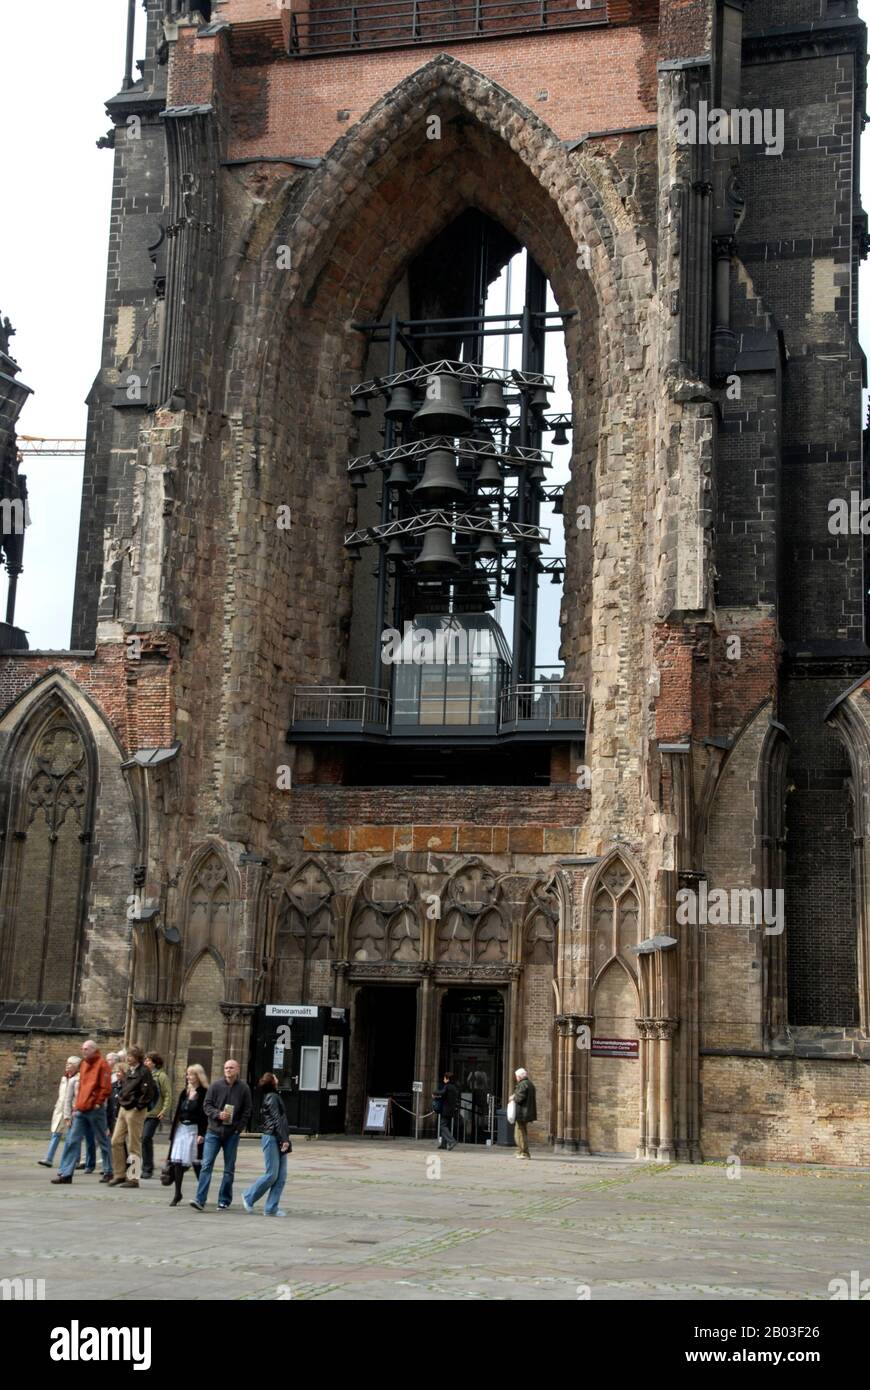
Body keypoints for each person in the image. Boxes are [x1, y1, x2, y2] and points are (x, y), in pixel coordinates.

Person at [190, 1058, 252, 1212]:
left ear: (237, 1070)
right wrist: (218, 1114)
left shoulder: (243, 1088)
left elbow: (247, 1110)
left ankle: (224, 1200)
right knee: (206, 1164)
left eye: (231, 1068)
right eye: (226, 1068)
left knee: (229, 1168)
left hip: (232, 1133)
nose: (228, 1070)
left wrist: (238, 1128)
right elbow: (207, 1105)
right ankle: (200, 1199)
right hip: (214, 1131)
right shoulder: (215, 1086)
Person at [51, 1040, 113, 1185]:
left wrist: (98, 1103)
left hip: (95, 1109)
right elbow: (82, 1086)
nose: (83, 1051)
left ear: (93, 1049)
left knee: (103, 1141)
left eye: (86, 1049)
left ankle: (108, 1171)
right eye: (82, 1048)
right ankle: (66, 1173)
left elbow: (105, 1087)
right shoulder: (84, 1064)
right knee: (72, 1140)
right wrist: (77, 1105)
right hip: (81, 1108)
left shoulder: (102, 1065)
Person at [108, 1044, 156, 1188]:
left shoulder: (144, 1071)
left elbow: (149, 1092)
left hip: (135, 1110)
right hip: (124, 1108)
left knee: (134, 1145)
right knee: (115, 1141)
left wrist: (138, 1106)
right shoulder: (130, 1070)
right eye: (128, 1055)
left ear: (137, 1057)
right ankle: (119, 1174)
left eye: (130, 1056)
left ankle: (134, 1178)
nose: (128, 1058)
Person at [243, 1074, 291, 1217]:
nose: (277, 1078)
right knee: (272, 1174)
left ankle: (271, 1208)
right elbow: (277, 1119)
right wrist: (285, 1140)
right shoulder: (272, 1097)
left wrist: (284, 1138)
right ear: (272, 1082)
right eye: (275, 1077)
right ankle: (248, 1196)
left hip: (278, 1137)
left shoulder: (273, 1096)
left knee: (281, 1176)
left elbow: (280, 1121)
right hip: (271, 1138)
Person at [166, 1064, 208, 1207]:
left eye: (191, 1074)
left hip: (195, 1130)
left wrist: (202, 1133)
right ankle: (177, 1193)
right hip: (181, 1129)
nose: (188, 1077)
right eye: (187, 1074)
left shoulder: (204, 1093)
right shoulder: (184, 1092)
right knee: (177, 1162)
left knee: (197, 1163)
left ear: (198, 1076)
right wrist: (173, 1133)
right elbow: (178, 1112)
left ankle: (201, 1194)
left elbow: (205, 1116)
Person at [38, 1058, 79, 1167]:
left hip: (72, 1111)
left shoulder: (78, 1079)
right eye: (67, 1063)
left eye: (70, 1063)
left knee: (73, 1137)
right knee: (56, 1133)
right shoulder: (64, 1078)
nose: (67, 1065)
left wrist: (73, 1111)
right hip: (60, 1110)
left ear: (76, 1066)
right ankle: (49, 1158)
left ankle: (76, 1160)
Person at [141, 1051, 171, 1179]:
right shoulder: (142, 1075)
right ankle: (136, 1167)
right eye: (145, 1060)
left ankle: (147, 1168)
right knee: (139, 1140)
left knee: (146, 1137)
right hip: (141, 1112)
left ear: (155, 1063)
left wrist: (164, 1111)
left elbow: (168, 1095)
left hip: (154, 1113)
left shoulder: (161, 1076)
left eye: (148, 1060)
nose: (146, 1062)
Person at [509, 1067, 537, 1159]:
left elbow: (520, 1098)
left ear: (520, 1077)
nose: (516, 1078)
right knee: (520, 1132)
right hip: (526, 1112)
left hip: (522, 1112)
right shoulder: (529, 1084)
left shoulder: (523, 1084)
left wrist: (513, 1097)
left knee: (520, 1133)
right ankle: (520, 1150)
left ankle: (524, 1153)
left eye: (516, 1077)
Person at [435, 1072, 460, 1151]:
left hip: (446, 1109)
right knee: (445, 1125)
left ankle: (452, 1141)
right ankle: (443, 1144)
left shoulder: (448, 1086)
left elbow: (441, 1092)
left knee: (442, 1125)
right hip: (451, 1110)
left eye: (445, 1078)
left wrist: (434, 1092)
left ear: (447, 1079)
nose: (443, 1079)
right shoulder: (454, 1087)